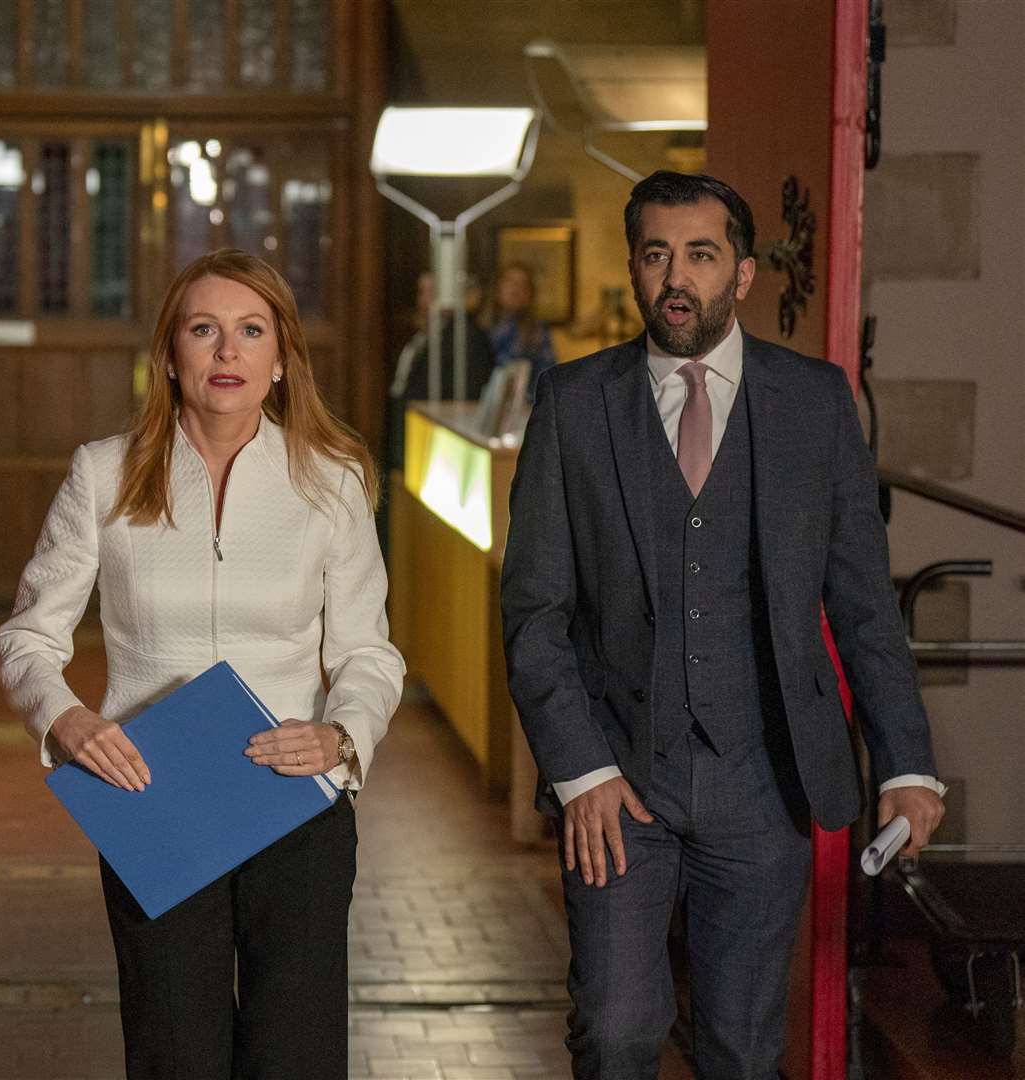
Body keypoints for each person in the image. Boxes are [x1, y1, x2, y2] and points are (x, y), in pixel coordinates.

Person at [499, 172, 944, 1079]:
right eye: (656, 254)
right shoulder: (573, 404)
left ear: (740, 274)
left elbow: (861, 602)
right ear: (633, 268)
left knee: (740, 1048)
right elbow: (534, 611)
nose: (676, 276)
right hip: (616, 778)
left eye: (699, 255)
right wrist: (579, 770)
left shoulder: (815, 403)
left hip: (763, 779)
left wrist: (905, 759)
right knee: (614, 1030)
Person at [0, 249, 404, 1079]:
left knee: (295, 1055)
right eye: (204, 330)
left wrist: (341, 737)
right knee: (173, 1054)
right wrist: (65, 719)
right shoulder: (102, 474)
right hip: (153, 801)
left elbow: (367, 651)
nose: (227, 353)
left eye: (251, 331)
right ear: (170, 355)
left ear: (281, 359)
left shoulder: (332, 480)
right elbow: (26, 638)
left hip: (296, 802)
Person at [384, 271, 496, 471]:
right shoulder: (426, 333)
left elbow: (468, 394)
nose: (424, 301)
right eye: (422, 293)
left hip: (439, 442)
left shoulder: (467, 336)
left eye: (432, 293)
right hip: (410, 429)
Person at [486, 262, 558, 396]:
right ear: (497, 288)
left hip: (524, 405)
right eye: (510, 282)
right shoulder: (482, 328)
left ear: (530, 294)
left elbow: (548, 376)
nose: (516, 289)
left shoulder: (537, 331)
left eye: (523, 284)